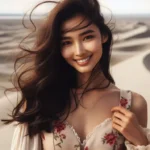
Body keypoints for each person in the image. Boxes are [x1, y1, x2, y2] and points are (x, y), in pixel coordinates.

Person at [1, 0, 150, 150]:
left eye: (87, 37)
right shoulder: (40, 99)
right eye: (67, 42)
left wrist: (141, 141)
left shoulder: (133, 104)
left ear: (103, 35)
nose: (79, 51)